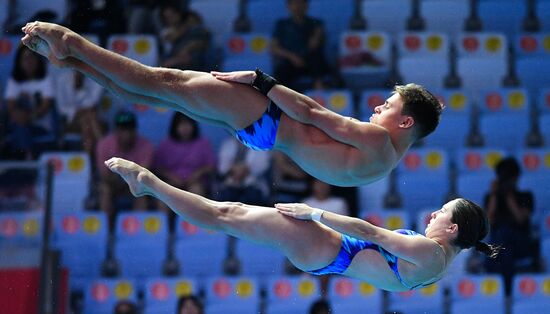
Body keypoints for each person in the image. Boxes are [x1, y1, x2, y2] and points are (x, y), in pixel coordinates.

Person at [21, 21, 443, 187]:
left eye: (387, 106)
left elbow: (312, 113)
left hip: (269, 118)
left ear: (405, 122)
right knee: (153, 93)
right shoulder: (383, 165)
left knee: (161, 80)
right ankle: (71, 61)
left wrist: (261, 80)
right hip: (261, 136)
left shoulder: (375, 140)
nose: (376, 109)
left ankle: (71, 41)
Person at [104, 157, 499, 293]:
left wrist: (314, 212)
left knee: (227, 215)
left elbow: (371, 233)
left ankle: (149, 185)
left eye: (442, 213)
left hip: (332, 247)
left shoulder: (432, 253)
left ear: (452, 230)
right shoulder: (438, 262)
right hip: (329, 252)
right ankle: (150, 187)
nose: (433, 215)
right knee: (230, 214)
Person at [484, 156, 535, 296]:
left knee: (505, 235)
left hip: (521, 243)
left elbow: (520, 219)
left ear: (516, 177)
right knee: (505, 249)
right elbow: (488, 223)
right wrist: (495, 195)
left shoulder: (526, 196)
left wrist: (509, 197)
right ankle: (508, 293)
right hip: (500, 246)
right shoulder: (491, 197)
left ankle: (505, 294)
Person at [95, 111, 153, 221]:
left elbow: (143, 175)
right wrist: (122, 179)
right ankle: (106, 230)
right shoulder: (104, 144)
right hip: (112, 184)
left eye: (130, 129)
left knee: (143, 192)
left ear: (135, 130)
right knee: (104, 189)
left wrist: (126, 180)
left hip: (135, 185)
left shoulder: (146, 145)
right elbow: (104, 175)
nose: (126, 134)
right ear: (116, 130)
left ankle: (137, 231)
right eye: (122, 129)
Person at [4, 44, 55, 159]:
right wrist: (20, 117)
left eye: (31, 58)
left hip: (40, 127)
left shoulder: (46, 79)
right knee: (20, 128)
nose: (28, 62)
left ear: (38, 60)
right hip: (19, 125)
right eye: (25, 58)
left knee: (20, 129)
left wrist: (29, 117)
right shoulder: (14, 81)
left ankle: (24, 161)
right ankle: (27, 157)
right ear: (19, 62)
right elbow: (10, 107)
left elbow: (45, 106)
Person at [154, 112, 215, 197]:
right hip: (171, 182)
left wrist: (196, 175)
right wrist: (172, 177)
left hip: (196, 182)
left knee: (196, 190)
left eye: (188, 123)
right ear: (175, 126)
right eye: (181, 124)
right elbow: (158, 168)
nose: (185, 127)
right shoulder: (165, 144)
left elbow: (210, 166)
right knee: (164, 193)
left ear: (194, 125)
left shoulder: (203, 143)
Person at [271, 0, 329, 90]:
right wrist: (292, 57)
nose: (298, 6)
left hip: (310, 61)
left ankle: (319, 90)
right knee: (281, 71)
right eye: (295, 3)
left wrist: (317, 37)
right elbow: (274, 48)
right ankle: (284, 98)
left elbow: (315, 44)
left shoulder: (316, 23)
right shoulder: (281, 25)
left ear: (306, 5)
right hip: (290, 62)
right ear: (288, 5)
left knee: (317, 58)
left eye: (301, 3)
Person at [217, 135, 272, 206]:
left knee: (252, 197)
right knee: (226, 196)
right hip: (231, 182)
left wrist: (246, 168)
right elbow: (222, 169)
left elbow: (263, 166)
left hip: (253, 184)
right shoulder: (228, 144)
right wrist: (234, 170)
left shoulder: (260, 145)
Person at [159, 5, 212, 71]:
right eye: (167, 18)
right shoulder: (167, 36)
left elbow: (188, 58)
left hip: (195, 70)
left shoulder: (197, 31)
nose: (170, 20)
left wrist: (186, 50)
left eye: (172, 16)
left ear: (179, 15)